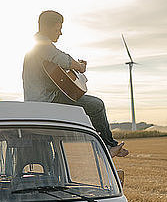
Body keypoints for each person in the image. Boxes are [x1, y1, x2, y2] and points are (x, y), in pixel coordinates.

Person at [22, 10, 129, 158]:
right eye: (57, 29)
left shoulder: (41, 47)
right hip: (46, 102)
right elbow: (62, 59)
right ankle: (108, 146)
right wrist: (79, 67)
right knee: (96, 105)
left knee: (91, 108)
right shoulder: (41, 45)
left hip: (48, 99)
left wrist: (74, 66)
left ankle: (107, 144)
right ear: (46, 27)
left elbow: (60, 62)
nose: (60, 33)